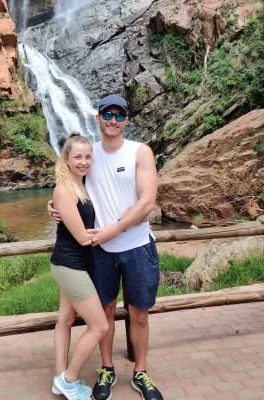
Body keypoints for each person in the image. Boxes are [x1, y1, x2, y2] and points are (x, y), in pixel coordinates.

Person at [48, 94, 164, 400]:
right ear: (97, 118)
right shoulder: (89, 155)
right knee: (106, 312)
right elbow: (69, 187)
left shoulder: (140, 152)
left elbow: (148, 202)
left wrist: (115, 228)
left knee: (139, 313)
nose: (113, 120)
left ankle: (141, 371)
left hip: (137, 246)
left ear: (127, 120)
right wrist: (54, 204)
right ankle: (107, 368)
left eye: (119, 115)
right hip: (99, 251)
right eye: (107, 115)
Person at [49, 132, 109, 400]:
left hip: (75, 264)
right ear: (66, 159)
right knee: (99, 327)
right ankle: (69, 379)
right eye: (77, 157)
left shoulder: (82, 184)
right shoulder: (64, 190)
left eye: (87, 156)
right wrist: (117, 230)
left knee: (65, 319)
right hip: (70, 265)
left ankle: (59, 379)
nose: (83, 161)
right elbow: (83, 238)